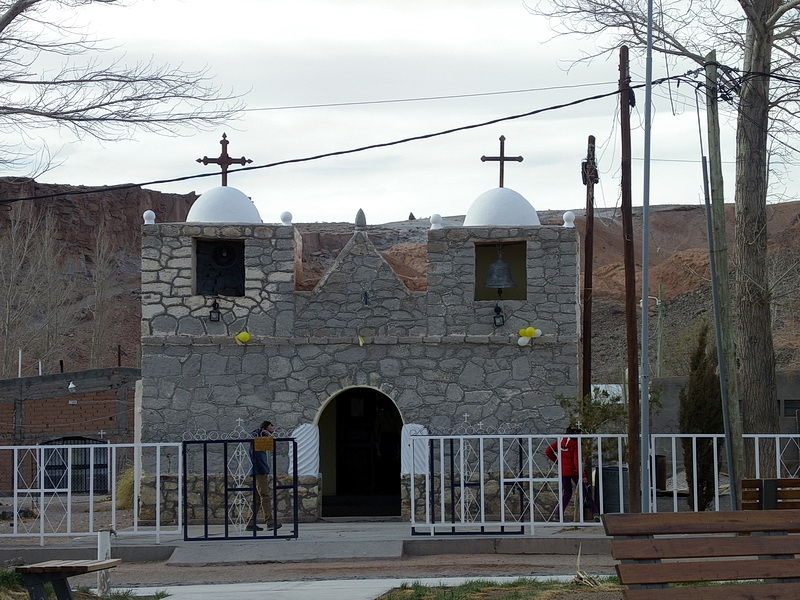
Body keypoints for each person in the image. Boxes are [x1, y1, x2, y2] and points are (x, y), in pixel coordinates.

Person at [545, 426, 599, 520]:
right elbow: (576, 461)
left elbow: (548, 451)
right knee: (585, 492)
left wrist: (559, 462)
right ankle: (595, 513)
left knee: (567, 493)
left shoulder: (561, 441)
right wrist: (583, 475)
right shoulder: (575, 443)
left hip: (563, 471)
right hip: (574, 471)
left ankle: (558, 514)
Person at [247, 420, 281, 531]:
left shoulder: (265, 438)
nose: (273, 428)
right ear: (264, 428)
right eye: (271, 426)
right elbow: (253, 437)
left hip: (261, 469)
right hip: (259, 470)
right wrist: (262, 434)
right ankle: (270, 522)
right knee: (264, 496)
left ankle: (250, 523)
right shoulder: (257, 436)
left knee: (257, 498)